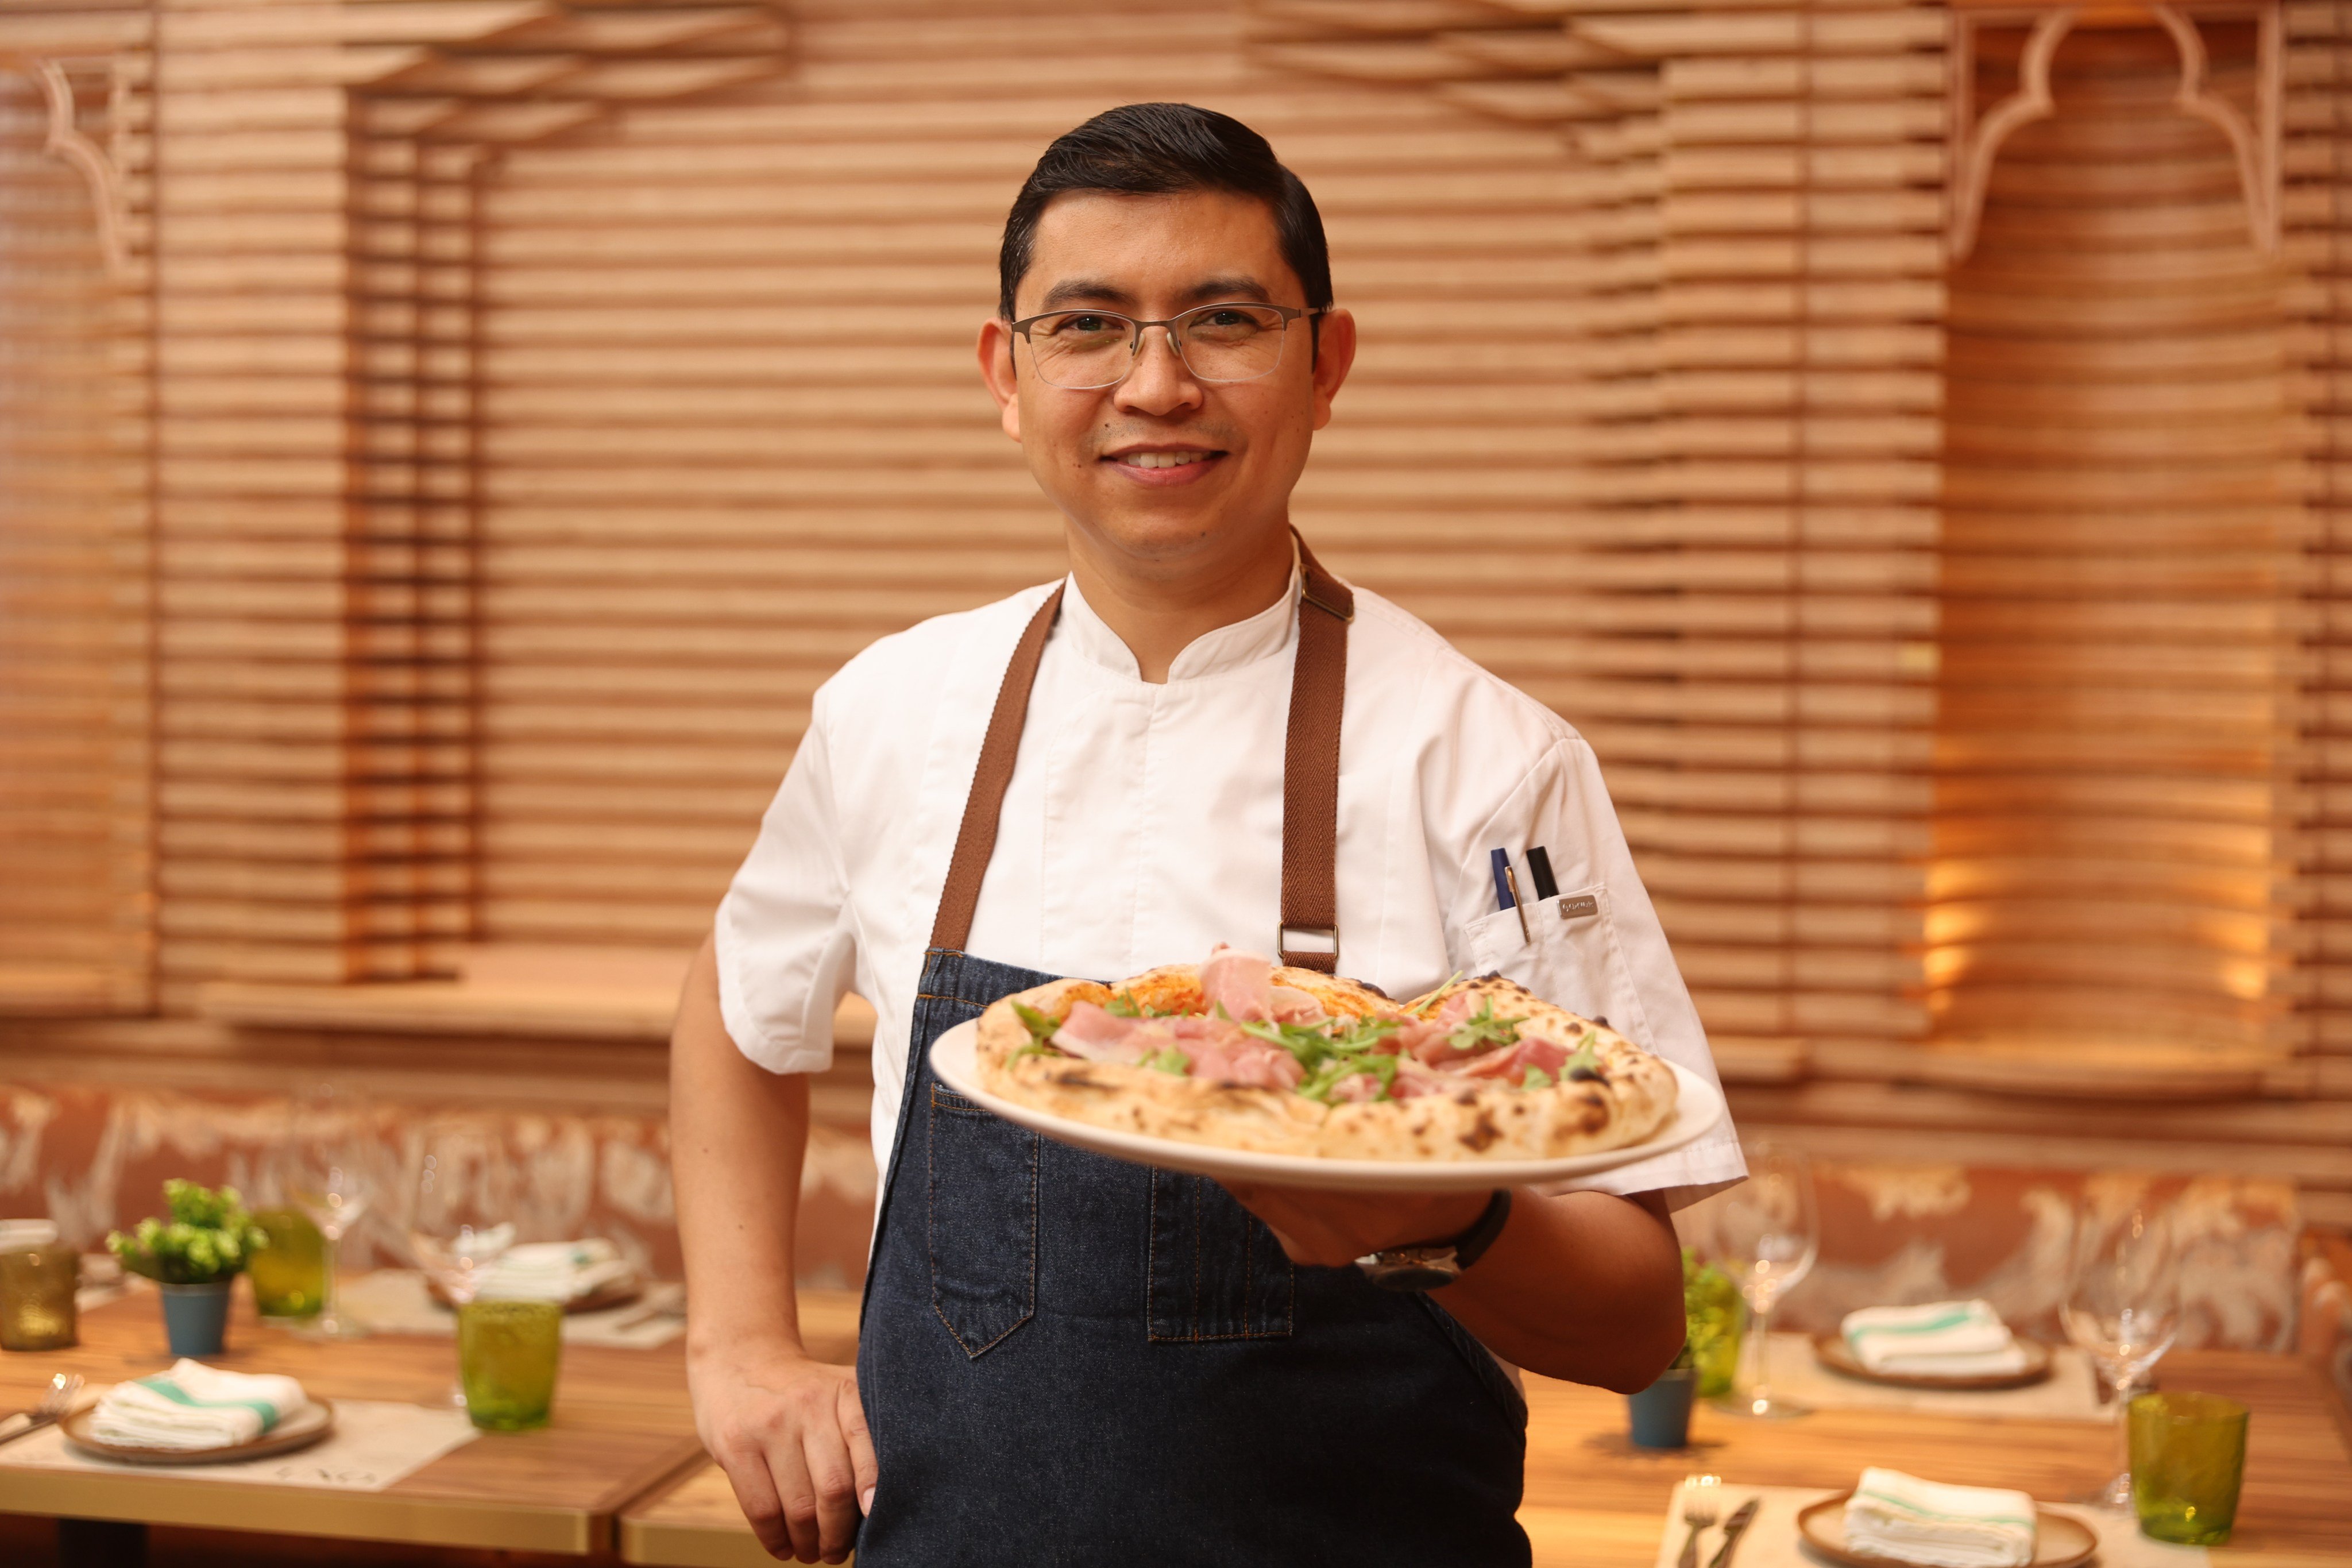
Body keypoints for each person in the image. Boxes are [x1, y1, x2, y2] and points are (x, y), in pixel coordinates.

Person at [671, 102, 1745, 1567]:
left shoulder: (1488, 763)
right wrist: (735, 1346)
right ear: (1007, 373)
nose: (1155, 385)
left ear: (1327, 364)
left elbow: (1634, 1324)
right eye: (1088, 327)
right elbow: (737, 1013)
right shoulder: (890, 712)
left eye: (1224, 319)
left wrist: (1442, 1219)